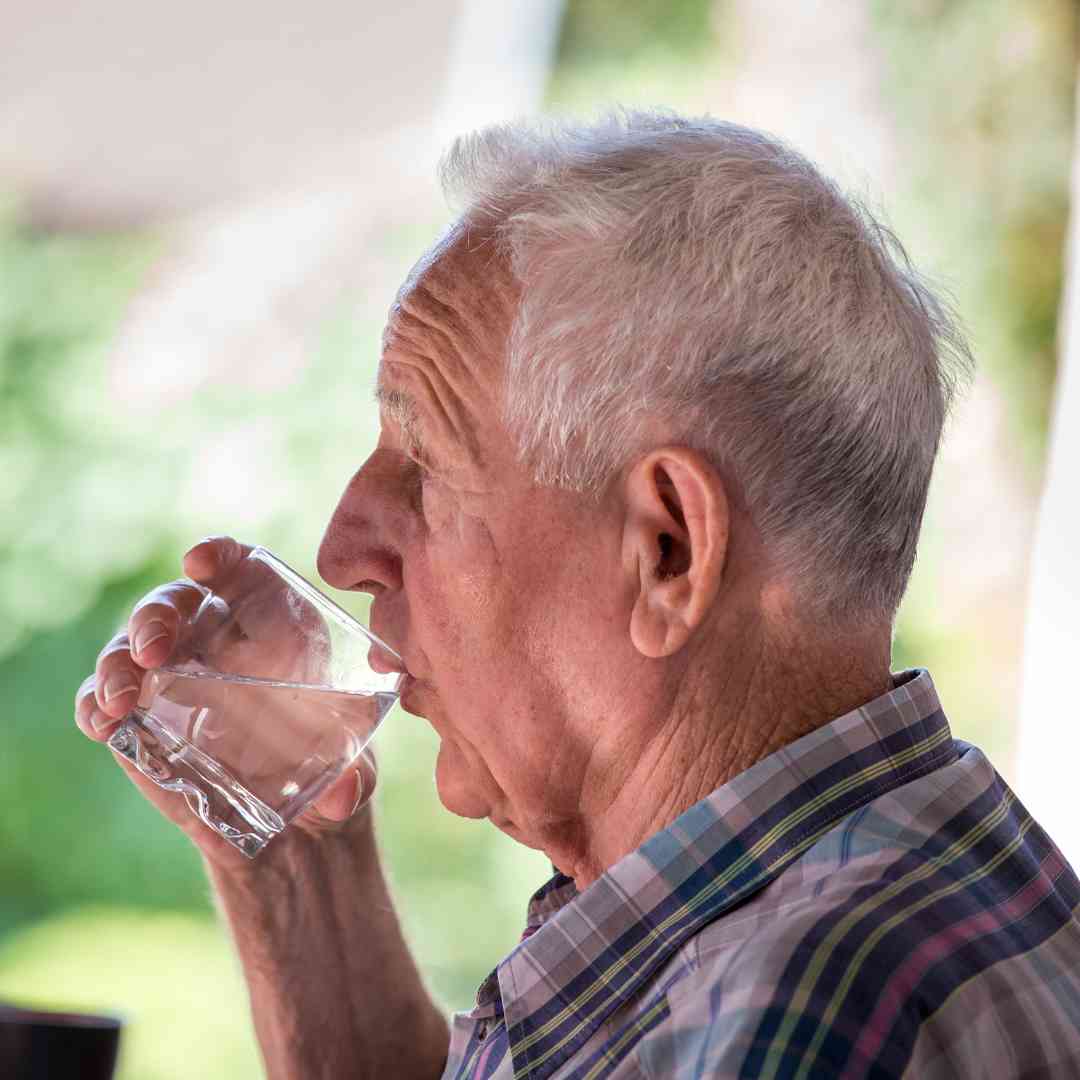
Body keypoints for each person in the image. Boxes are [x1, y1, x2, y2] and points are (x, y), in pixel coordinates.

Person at [75, 113, 1080, 1078]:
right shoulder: (872, 877)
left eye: (427, 466)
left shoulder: (797, 1017)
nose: (342, 549)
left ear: (668, 552)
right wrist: (295, 858)